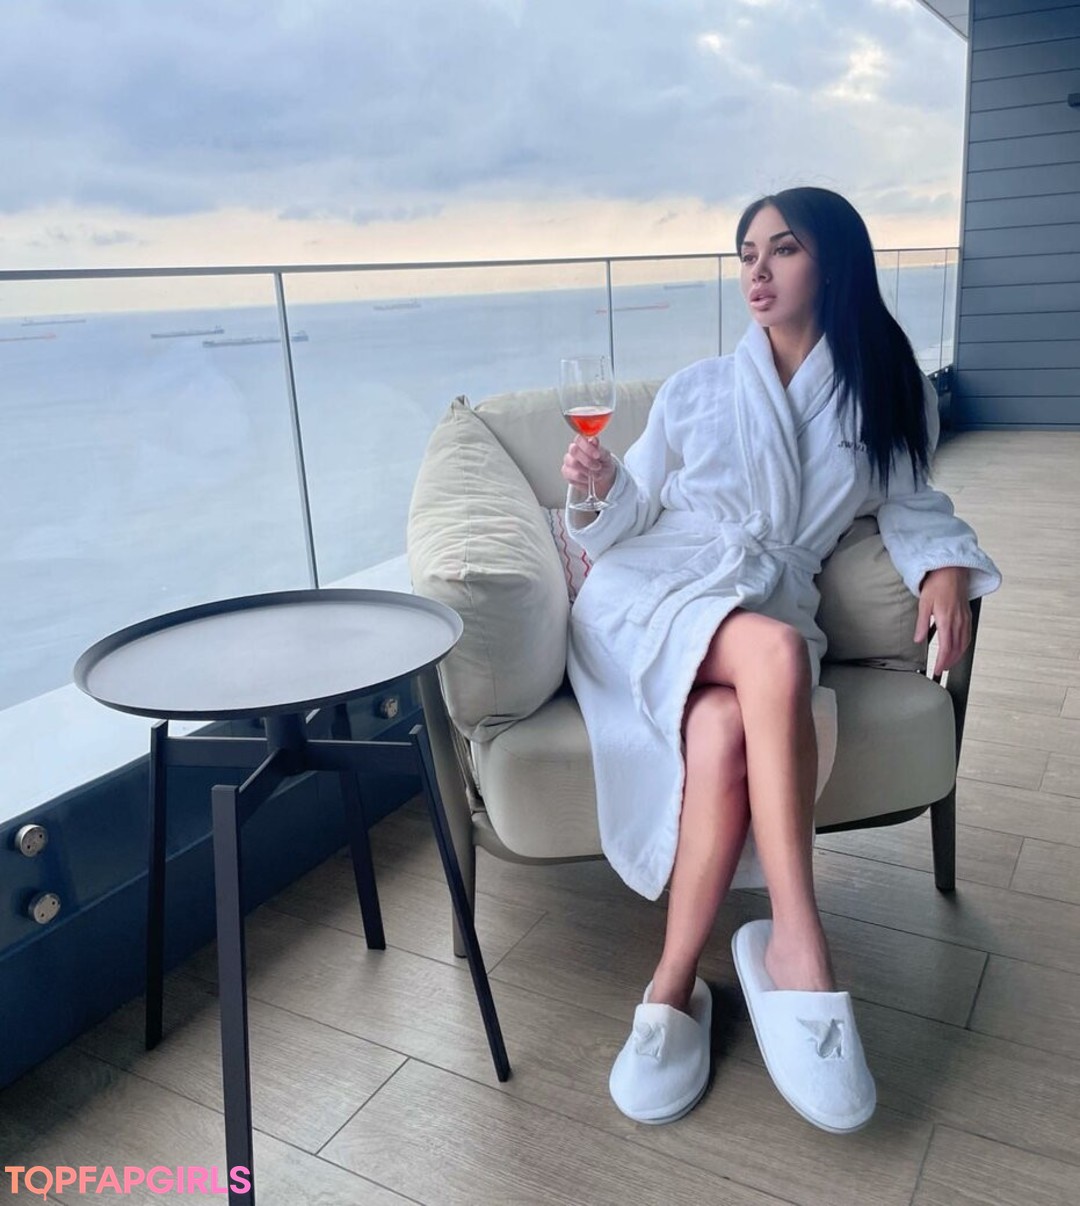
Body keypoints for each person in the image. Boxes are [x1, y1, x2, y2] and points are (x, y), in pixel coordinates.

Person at [560, 187, 1001, 1134]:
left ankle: (673, 984)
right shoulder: (696, 389)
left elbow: (913, 504)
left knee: (726, 727)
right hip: (652, 593)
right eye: (747, 253)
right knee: (773, 655)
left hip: (761, 602)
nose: (756, 271)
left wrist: (946, 565)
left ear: (832, 263)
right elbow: (631, 515)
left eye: (782, 250)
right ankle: (799, 943)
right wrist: (599, 486)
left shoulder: (887, 393)